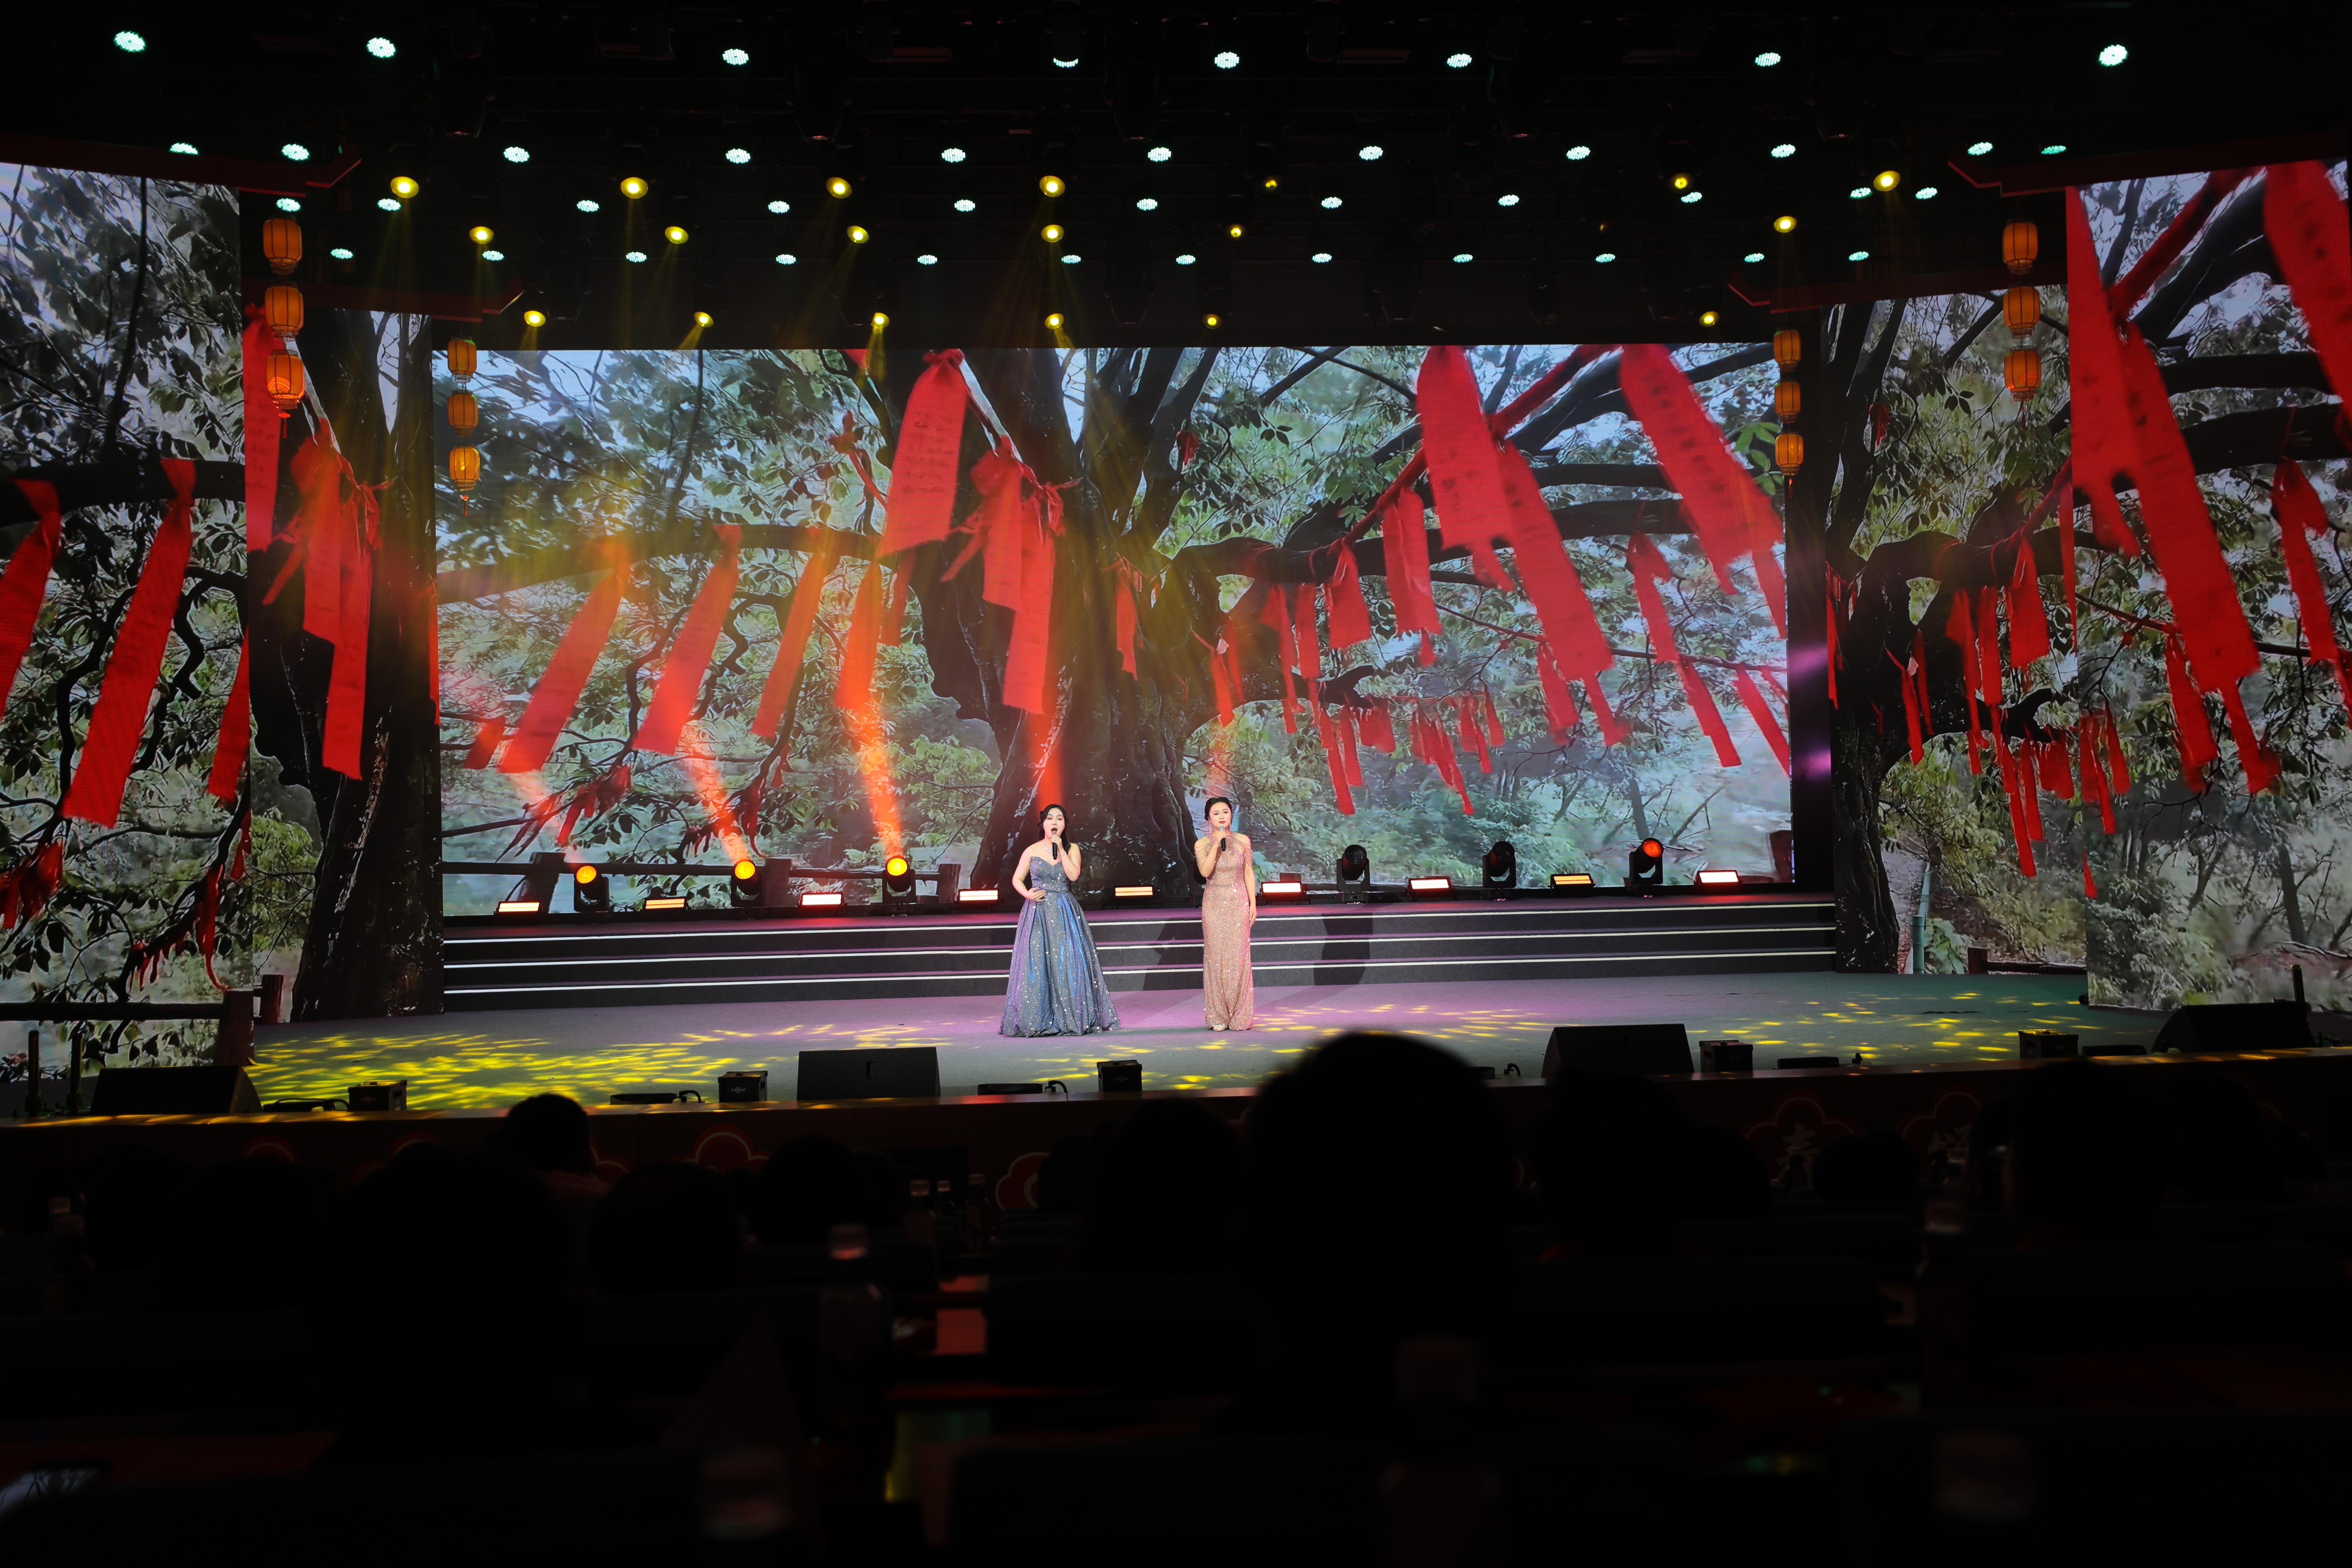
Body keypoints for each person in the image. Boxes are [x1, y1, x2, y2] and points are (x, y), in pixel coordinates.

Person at [1000, 803, 1121, 1037]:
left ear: (1065, 825)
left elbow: (1074, 875)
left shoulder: (1072, 849)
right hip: (1038, 912)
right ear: (1043, 824)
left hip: (1065, 910)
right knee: (1037, 964)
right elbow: (1017, 879)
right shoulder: (1031, 850)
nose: (1055, 822)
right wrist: (1028, 894)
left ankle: (1073, 1016)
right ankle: (1037, 1018)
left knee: (1069, 962)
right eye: (1050, 818)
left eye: (1060, 819)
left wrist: (1062, 850)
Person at [1194, 796, 1256, 1030]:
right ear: (1209, 818)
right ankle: (1218, 1016)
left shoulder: (1243, 841)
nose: (1221, 817)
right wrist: (1215, 846)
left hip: (1238, 903)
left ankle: (1240, 1016)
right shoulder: (1202, 844)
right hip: (1214, 905)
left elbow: (1248, 872)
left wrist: (1253, 904)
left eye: (1225, 812)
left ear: (1231, 814)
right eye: (1216, 813)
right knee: (1216, 958)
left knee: (1239, 958)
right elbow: (1205, 872)